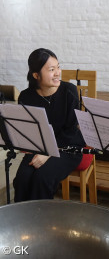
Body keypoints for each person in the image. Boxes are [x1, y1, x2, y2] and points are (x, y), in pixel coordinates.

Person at [13, 48, 86, 202]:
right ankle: (23, 221)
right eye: (51, 69)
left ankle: (41, 222)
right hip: (38, 148)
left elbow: (71, 132)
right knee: (22, 180)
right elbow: (29, 133)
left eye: (58, 67)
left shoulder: (69, 91)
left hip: (68, 148)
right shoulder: (26, 97)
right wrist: (42, 151)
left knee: (42, 178)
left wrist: (49, 153)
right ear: (36, 75)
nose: (58, 72)